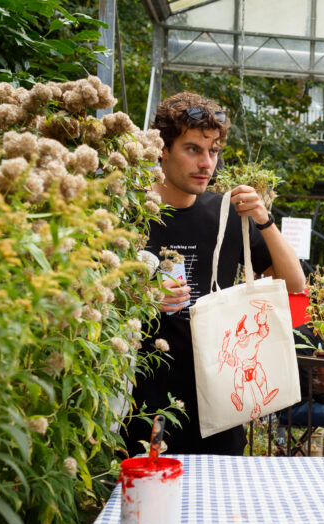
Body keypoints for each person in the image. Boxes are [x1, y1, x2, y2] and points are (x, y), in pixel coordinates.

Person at [123, 91, 305, 457]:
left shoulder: (224, 212)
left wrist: (264, 220)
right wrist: (140, 298)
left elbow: (295, 284)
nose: (206, 163)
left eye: (213, 151)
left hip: (220, 403)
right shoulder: (129, 212)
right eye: (192, 149)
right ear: (162, 149)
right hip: (144, 402)